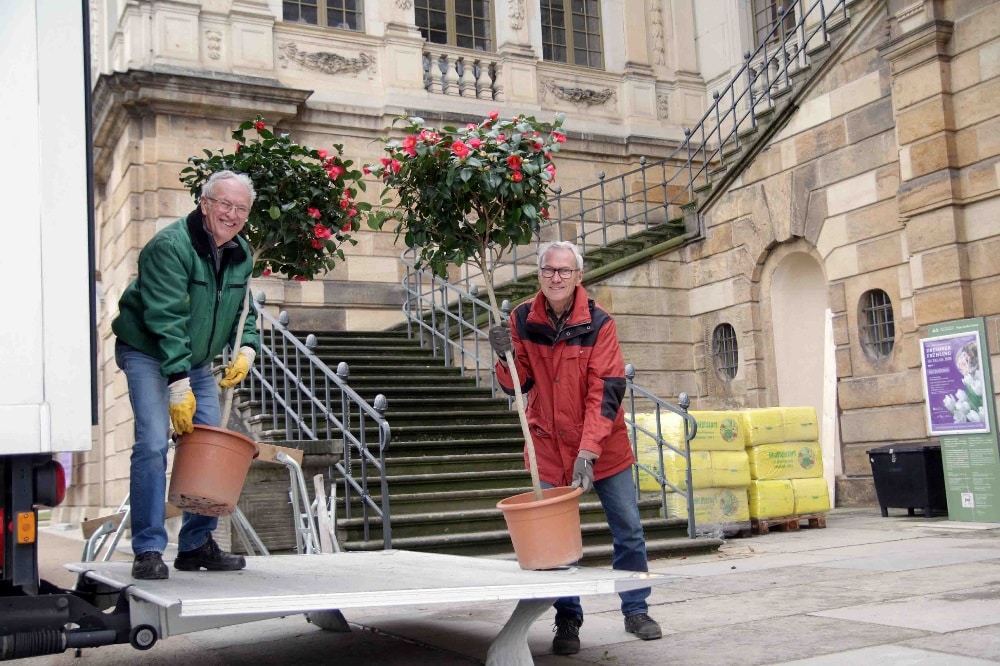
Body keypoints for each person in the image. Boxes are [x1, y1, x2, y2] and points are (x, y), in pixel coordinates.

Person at [489, 240, 662, 655]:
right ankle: (567, 617)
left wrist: (588, 451)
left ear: (579, 276)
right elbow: (518, 384)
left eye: (565, 271)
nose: (556, 277)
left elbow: (606, 391)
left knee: (628, 527)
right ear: (539, 275)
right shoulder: (521, 319)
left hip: (603, 447)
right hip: (548, 446)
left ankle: (636, 609)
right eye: (549, 270)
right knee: (555, 543)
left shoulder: (600, 323)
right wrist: (502, 357)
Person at [112, 170, 260, 580]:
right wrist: (177, 386)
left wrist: (247, 347)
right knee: (153, 443)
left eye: (240, 208)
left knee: (210, 444)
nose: (231, 214)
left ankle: (195, 544)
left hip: (192, 360)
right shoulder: (169, 247)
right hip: (147, 351)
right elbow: (165, 319)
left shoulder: (241, 253)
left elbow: (243, 310)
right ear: (204, 202)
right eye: (224, 204)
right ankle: (147, 548)